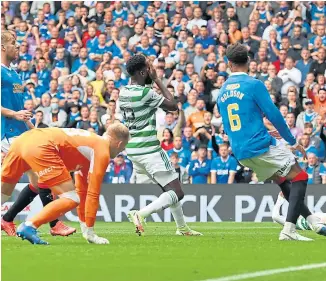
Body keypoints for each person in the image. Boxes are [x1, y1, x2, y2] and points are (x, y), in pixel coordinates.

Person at [217, 43, 326, 241]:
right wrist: (292, 141)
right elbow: (274, 114)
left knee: (283, 180)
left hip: (241, 152)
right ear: (248, 61)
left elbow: (231, 124)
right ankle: (289, 230)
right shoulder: (254, 84)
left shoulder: (222, 91)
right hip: (260, 145)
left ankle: (311, 221)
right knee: (300, 176)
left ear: (228, 63)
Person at [1, 124, 129, 245]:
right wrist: (91, 231)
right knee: (71, 198)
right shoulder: (102, 151)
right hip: (42, 146)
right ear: (119, 143)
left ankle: (19, 221)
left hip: (22, 139)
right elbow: (93, 194)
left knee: (4, 193)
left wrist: (87, 232)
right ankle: (29, 226)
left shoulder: (92, 143)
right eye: (123, 148)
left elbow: (83, 190)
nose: (121, 151)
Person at [1, 31, 74, 237]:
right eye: (14, 44)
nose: (18, 47)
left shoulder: (14, 74)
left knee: (34, 182)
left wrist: (35, 130)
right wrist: (14, 114)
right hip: (8, 134)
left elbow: (20, 109)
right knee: (43, 174)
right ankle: (54, 224)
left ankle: (7, 219)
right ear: (3, 47)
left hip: (23, 133)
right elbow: (12, 110)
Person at [119, 55, 201, 236]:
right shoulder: (145, 93)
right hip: (149, 150)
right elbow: (173, 106)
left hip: (133, 150)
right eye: (149, 68)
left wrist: (150, 79)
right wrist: (157, 79)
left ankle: (182, 228)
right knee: (177, 192)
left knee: (168, 188)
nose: (152, 70)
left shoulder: (124, 91)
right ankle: (141, 214)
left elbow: (143, 87)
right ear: (142, 72)